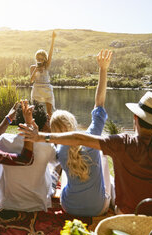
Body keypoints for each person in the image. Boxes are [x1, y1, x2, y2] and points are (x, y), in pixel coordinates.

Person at [19, 69, 152, 217]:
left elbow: (78, 139)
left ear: (135, 117)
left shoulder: (122, 143)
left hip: (124, 214)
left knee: (97, 157)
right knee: (98, 158)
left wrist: (40, 136)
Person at [49, 49, 113, 217]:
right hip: (98, 209)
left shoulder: (59, 152)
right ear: (73, 123)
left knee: (65, 173)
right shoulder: (91, 136)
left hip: (69, 207)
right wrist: (103, 69)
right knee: (103, 156)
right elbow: (99, 103)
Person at [0, 101, 59, 215]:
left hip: (7, 201)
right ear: (41, 124)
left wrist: (7, 119)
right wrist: (49, 130)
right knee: (58, 165)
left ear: (18, 121)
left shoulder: (4, 140)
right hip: (38, 202)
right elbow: (58, 154)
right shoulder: (48, 146)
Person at [30, 30, 57, 117]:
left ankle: (51, 127)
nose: (40, 60)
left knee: (49, 112)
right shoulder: (33, 67)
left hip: (46, 88)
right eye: (38, 58)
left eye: (42, 59)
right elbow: (31, 80)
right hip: (37, 89)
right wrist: (36, 69)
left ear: (45, 59)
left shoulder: (47, 66)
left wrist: (53, 39)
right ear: (36, 58)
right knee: (35, 111)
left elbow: (50, 53)